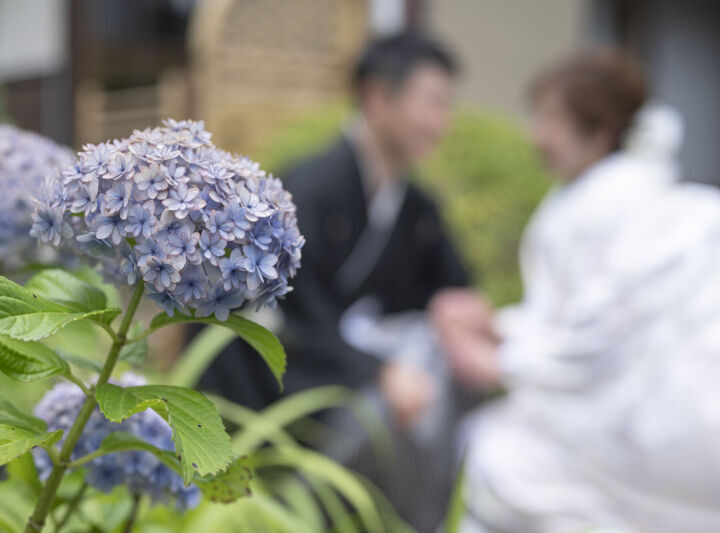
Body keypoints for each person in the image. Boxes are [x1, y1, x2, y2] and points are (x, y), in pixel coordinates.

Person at [432, 49, 720, 532]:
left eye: (551, 120)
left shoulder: (617, 200)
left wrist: (501, 360)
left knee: (496, 460)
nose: (537, 135)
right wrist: (499, 327)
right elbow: (570, 318)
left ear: (599, 132)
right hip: (605, 397)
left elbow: (601, 337)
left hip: (631, 417)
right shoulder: (588, 192)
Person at [200, 32, 476, 530]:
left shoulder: (415, 205)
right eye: (433, 104)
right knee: (387, 412)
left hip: (348, 366)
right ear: (377, 96)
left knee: (447, 378)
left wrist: (461, 314)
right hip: (283, 383)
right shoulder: (309, 186)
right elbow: (295, 313)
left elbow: (450, 288)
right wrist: (380, 373)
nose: (442, 124)